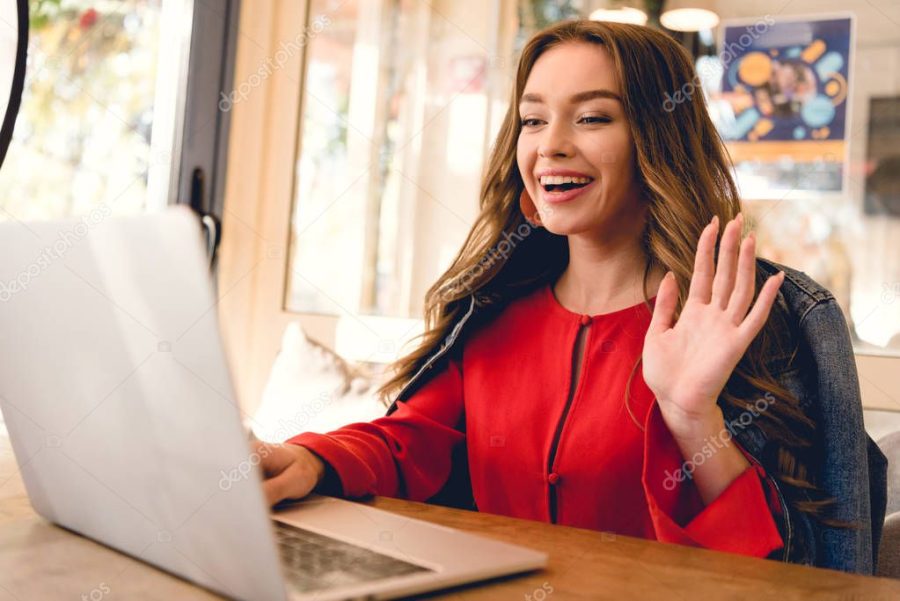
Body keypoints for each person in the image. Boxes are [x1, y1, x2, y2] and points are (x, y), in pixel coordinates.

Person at [254, 20, 884, 573]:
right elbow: (408, 440)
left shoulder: (760, 319)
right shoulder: (492, 308)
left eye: (592, 117)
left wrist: (694, 418)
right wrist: (306, 459)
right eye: (533, 119)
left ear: (655, 142)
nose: (549, 144)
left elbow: (804, 572)